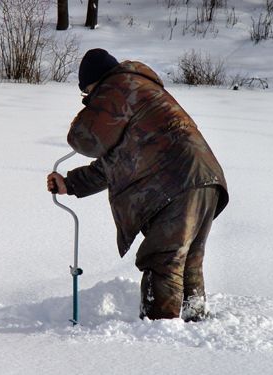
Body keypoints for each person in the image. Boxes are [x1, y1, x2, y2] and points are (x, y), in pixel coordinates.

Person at [47, 48, 228, 322]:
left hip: (176, 183)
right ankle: (195, 324)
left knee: (163, 261)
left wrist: (90, 107)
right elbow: (116, 162)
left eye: (87, 93)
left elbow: (83, 140)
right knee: (188, 259)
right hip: (205, 179)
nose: (88, 99)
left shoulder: (118, 88)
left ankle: (158, 335)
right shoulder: (140, 91)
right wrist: (70, 184)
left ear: (96, 83)